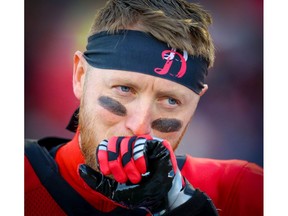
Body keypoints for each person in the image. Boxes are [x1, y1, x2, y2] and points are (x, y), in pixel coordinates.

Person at [25, 0, 263, 215]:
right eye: (124, 88)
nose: (139, 126)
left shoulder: (240, 190)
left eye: (171, 101)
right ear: (80, 76)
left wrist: (185, 207)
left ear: (196, 104)